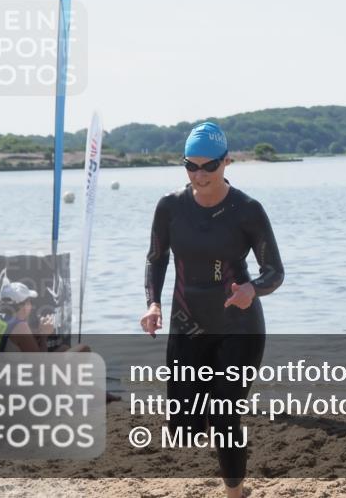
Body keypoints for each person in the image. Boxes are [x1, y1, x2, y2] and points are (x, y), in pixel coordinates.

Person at [141, 121, 284, 498]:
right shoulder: (170, 207)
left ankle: (235, 493)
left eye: (210, 166)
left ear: (227, 162)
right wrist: (153, 303)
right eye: (192, 165)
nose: (200, 174)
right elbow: (156, 259)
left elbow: (275, 271)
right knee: (183, 426)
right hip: (187, 325)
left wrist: (252, 289)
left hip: (239, 325)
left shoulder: (247, 210)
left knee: (223, 414)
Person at [0, 282, 55, 353]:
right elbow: (40, 361)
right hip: (11, 363)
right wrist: (44, 335)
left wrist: (39, 330)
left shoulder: (0, 318)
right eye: (29, 302)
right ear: (23, 306)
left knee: (63, 348)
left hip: (0, 362)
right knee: (65, 351)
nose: (31, 306)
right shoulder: (21, 327)